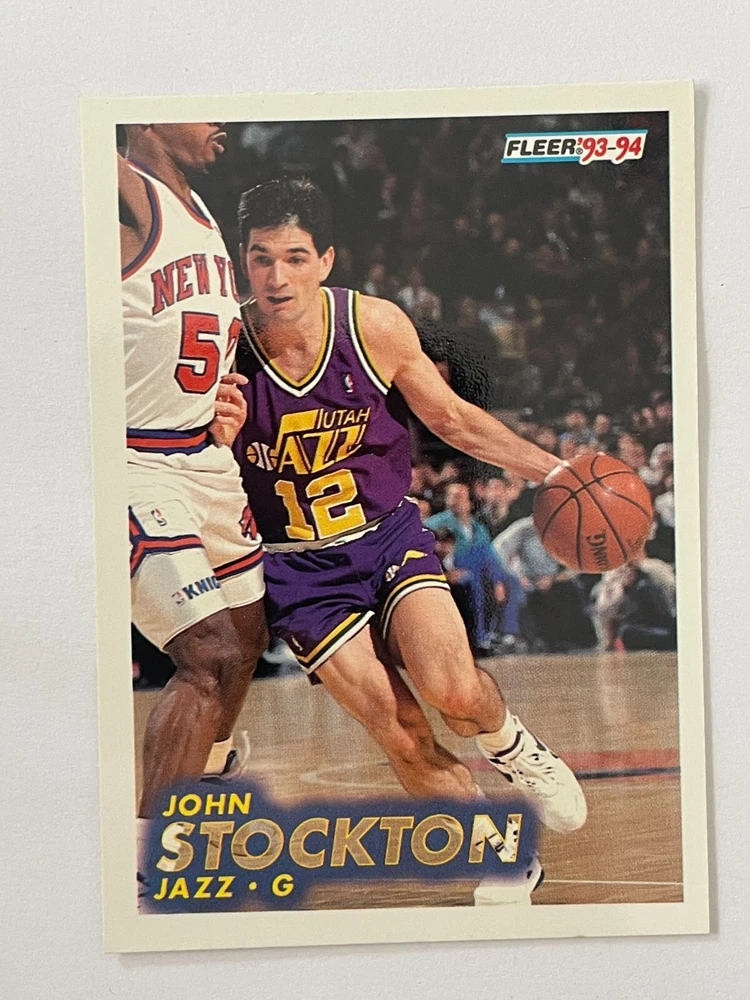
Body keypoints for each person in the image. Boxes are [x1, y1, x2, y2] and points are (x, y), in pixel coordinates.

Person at [229, 178, 587, 903]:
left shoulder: (373, 326)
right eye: (262, 258)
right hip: (298, 570)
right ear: (244, 262)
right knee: (398, 731)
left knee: (456, 692)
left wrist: (554, 471)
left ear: (326, 260)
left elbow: (451, 419)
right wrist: (215, 439)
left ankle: (513, 746)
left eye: (294, 257)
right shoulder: (224, 350)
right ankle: (503, 857)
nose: (277, 277)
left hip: (385, 536)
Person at [119, 124, 269, 845]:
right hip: (134, 459)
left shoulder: (202, 208)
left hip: (207, 456)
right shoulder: (119, 186)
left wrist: (220, 396)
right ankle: (143, 863)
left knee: (247, 637)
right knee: (207, 654)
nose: (220, 121)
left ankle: (203, 768)